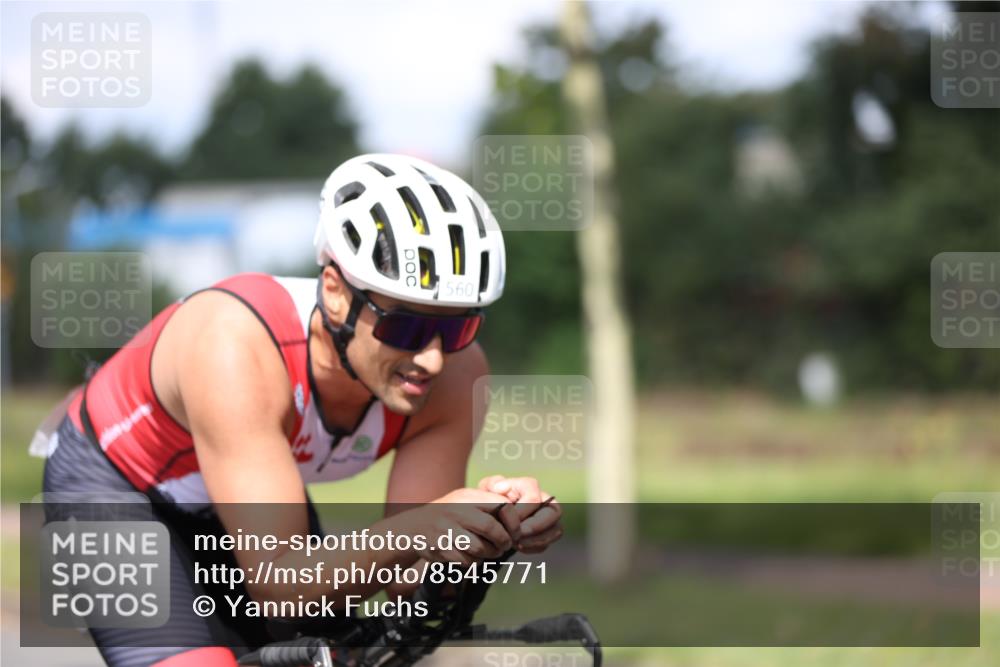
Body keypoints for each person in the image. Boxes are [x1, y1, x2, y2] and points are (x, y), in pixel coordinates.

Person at [41, 153, 562, 667]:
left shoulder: (456, 374)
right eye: (404, 327)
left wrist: (485, 527)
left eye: (456, 328)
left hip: (236, 500)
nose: (430, 357)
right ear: (335, 294)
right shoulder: (236, 346)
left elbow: (406, 577)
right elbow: (282, 585)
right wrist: (426, 526)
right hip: (113, 487)